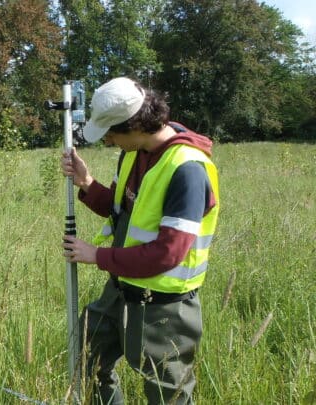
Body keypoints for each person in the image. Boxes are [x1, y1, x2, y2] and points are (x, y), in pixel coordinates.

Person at [61, 77, 220, 404]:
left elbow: (168, 254)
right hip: (120, 289)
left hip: (164, 306)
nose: (109, 142)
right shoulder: (134, 153)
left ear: (135, 125)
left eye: (112, 134)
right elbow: (120, 208)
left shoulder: (187, 170)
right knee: (85, 356)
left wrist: (98, 256)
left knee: (167, 394)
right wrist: (87, 182)